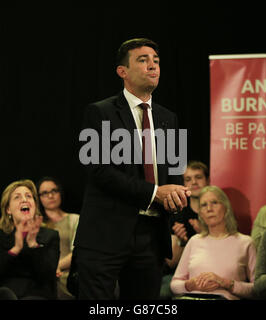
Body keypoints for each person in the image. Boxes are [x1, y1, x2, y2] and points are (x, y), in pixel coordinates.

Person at [74, 38, 190, 299]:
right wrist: (155, 192)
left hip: (151, 238)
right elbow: (99, 171)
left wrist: (177, 196)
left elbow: (175, 171)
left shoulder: (170, 118)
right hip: (106, 235)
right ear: (122, 72)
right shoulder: (99, 112)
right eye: (143, 60)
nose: (153, 66)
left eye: (156, 61)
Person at [170, 186, 256, 300]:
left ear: (226, 207)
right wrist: (189, 285)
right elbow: (174, 285)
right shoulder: (194, 241)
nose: (209, 209)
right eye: (204, 205)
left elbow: (257, 289)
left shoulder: (245, 243)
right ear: (200, 213)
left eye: (214, 202)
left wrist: (225, 283)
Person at [0, 179, 60, 300]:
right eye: (17, 197)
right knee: (4, 294)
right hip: (3, 295)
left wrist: (33, 245)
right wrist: (15, 249)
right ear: (8, 209)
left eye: (29, 196)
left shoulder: (50, 236)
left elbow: (47, 277)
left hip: (36, 295)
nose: (24, 200)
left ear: (35, 206)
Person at [160, 161, 209, 299]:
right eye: (188, 179)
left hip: (212, 270)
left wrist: (204, 235)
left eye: (198, 177)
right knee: (162, 292)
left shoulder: (217, 210)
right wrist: (181, 242)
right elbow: (170, 262)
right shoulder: (177, 212)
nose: (194, 182)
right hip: (181, 274)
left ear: (208, 180)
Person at [36, 176, 79, 299]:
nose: (50, 196)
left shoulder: (74, 219)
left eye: (54, 191)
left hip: (68, 276)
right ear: (38, 198)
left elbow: (77, 251)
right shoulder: (36, 223)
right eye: (45, 193)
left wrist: (57, 266)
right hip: (43, 276)